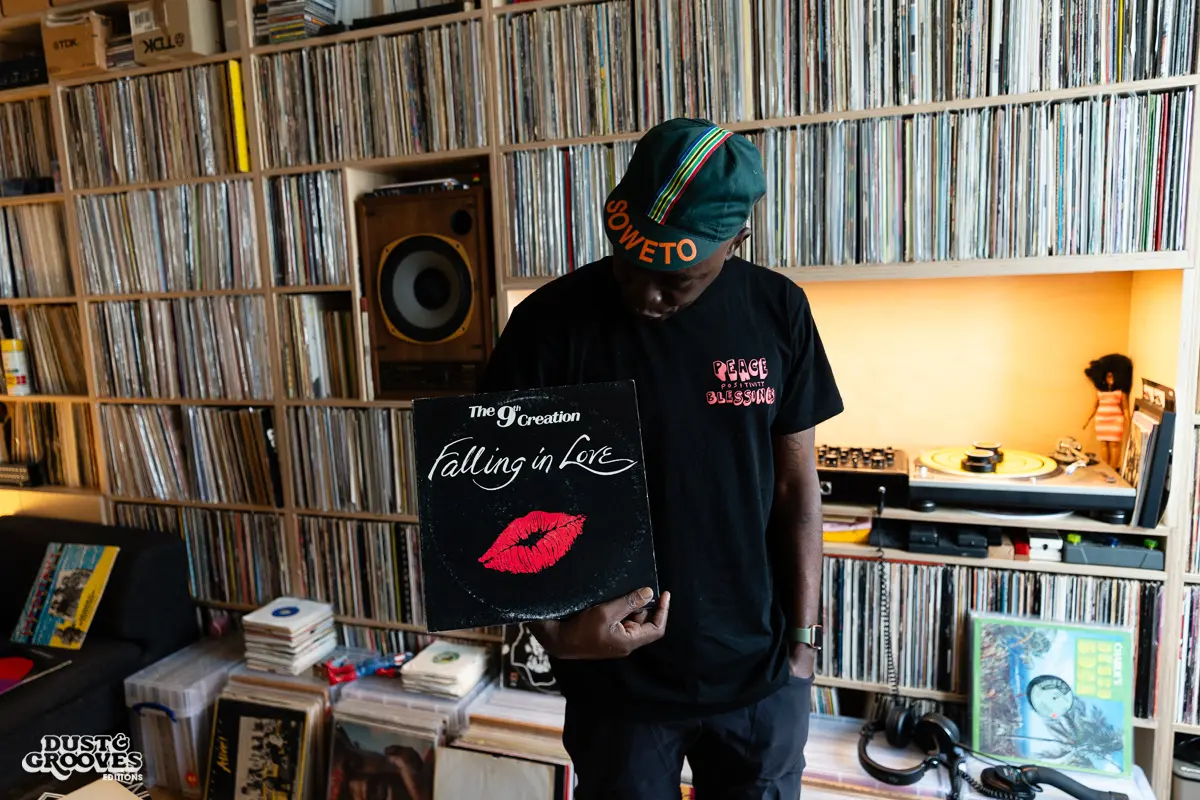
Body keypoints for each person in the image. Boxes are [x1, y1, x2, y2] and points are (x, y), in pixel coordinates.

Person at [482, 117, 843, 799]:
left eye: (675, 279)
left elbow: (799, 491)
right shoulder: (545, 326)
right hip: (617, 690)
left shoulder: (779, 312)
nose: (644, 294)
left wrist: (803, 646)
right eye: (629, 263)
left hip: (760, 679)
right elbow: (488, 506)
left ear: (736, 241)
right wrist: (552, 630)